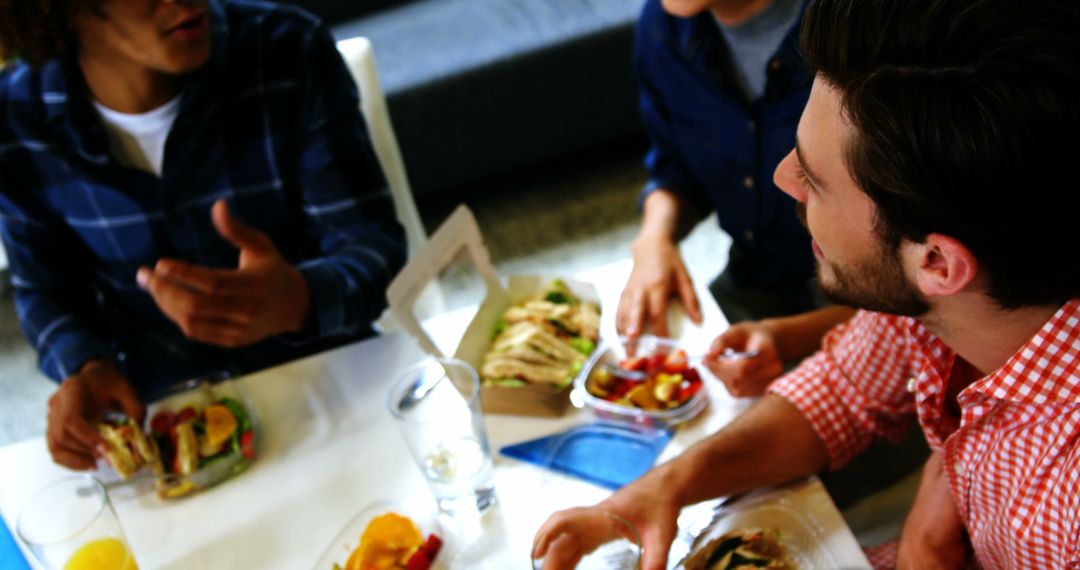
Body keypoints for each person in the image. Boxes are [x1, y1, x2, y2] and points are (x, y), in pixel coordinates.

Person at [535, 0, 1080, 568]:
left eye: (815, 180)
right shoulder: (943, 298)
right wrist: (661, 489)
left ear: (939, 264)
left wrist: (922, 554)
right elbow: (839, 392)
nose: (782, 178)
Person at [0, 0, 406, 471]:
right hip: (171, 433)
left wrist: (298, 297)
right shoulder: (15, 121)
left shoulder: (286, 51)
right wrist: (87, 366)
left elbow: (372, 244)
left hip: (337, 389)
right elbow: (45, 289)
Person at [618, 0, 853, 341]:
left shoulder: (861, 30)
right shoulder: (664, 27)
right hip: (755, 279)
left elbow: (917, 280)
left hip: (873, 314)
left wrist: (790, 339)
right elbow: (676, 165)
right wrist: (654, 238)